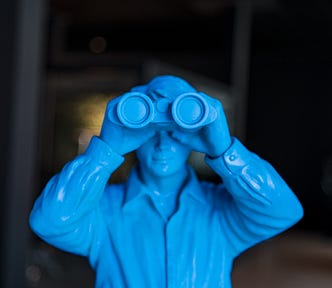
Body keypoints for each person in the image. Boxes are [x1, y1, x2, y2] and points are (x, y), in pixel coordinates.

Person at [29, 75, 303, 288]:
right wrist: (105, 150)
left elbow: (283, 211)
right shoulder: (104, 212)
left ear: (193, 134)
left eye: (175, 133)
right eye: (151, 132)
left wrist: (224, 149)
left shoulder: (219, 214)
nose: (162, 143)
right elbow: (49, 221)